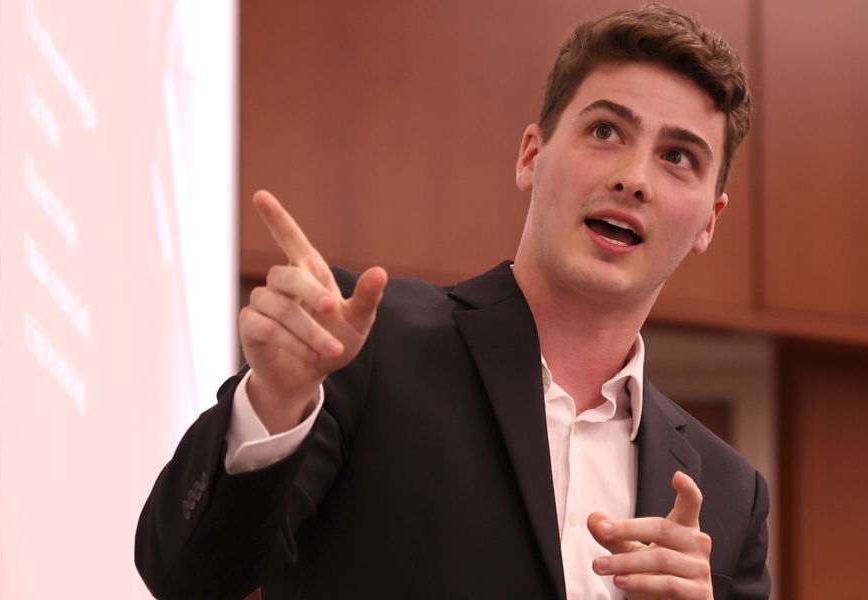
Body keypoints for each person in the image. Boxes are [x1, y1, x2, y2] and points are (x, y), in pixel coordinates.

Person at [136, 6, 766, 599]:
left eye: (677, 157)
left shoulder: (732, 497)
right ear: (531, 155)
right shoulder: (373, 344)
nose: (634, 178)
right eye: (606, 131)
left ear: (709, 221)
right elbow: (189, 576)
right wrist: (273, 403)